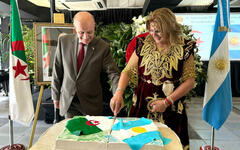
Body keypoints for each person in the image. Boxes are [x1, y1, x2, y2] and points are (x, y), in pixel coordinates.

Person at [110, 8, 196, 149]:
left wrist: (167, 102)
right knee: (139, 141)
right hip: (142, 102)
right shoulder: (143, 43)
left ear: (169, 28)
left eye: (158, 31)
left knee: (168, 143)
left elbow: (189, 81)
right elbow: (127, 71)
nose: (153, 35)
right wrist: (119, 92)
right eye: (151, 30)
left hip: (171, 104)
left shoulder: (184, 47)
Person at [51, 12, 120, 118]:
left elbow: (113, 73)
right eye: (81, 32)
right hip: (69, 101)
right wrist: (55, 95)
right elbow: (57, 70)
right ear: (74, 29)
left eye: (89, 32)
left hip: (91, 103)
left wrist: (117, 94)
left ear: (94, 27)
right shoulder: (64, 42)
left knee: (91, 134)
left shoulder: (103, 47)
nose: (86, 36)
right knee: (72, 134)